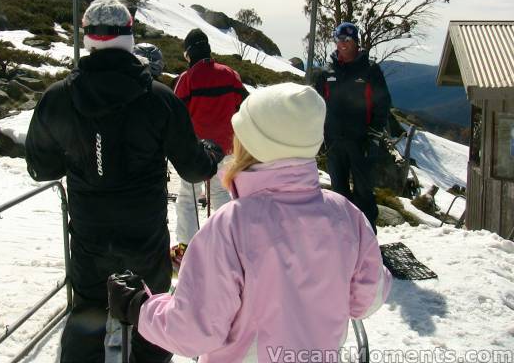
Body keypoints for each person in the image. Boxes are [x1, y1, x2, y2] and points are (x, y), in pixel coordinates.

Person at [107, 83, 392, 362]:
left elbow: (194, 331)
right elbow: (367, 298)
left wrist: (139, 307)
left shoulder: (233, 226)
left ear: (254, 144)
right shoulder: (346, 215)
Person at [24, 0, 224, 363]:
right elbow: (195, 169)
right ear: (129, 38)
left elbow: (41, 168)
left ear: (88, 39)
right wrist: (211, 151)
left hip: (89, 235)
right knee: (150, 317)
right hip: (144, 236)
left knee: (88, 313)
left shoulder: (59, 98)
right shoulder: (159, 99)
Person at [171, 28, 248, 266]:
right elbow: (244, 105)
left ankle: (187, 248)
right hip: (225, 147)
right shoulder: (230, 74)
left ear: (189, 53)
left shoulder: (187, 79)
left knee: (188, 197)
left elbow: (176, 114)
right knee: (220, 193)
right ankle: (225, 246)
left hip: (196, 150)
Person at [313, 22, 391, 232]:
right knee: (338, 193)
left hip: (361, 142)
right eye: (339, 40)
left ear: (356, 42)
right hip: (333, 142)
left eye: (347, 40)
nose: (343, 44)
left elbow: (382, 104)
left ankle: (368, 238)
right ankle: (342, 239)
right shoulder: (326, 72)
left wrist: (373, 135)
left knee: (364, 192)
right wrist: (318, 136)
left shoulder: (370, 70)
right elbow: (316, 104)